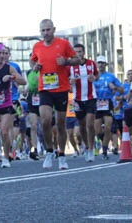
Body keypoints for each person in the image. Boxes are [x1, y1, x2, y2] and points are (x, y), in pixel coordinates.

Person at [30, 18, 81, 170]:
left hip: (61, 89)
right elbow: (32, 61)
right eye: (43, 30)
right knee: (45, 121)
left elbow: (77, 60)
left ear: (54, 29)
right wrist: (35, 66)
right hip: (44, 88)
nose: (45, 33)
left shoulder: (63, 43)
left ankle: (62, 155)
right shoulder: (37, 46)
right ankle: (49, 151)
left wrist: (65, 62)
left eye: (48, 30)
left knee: (60, 124)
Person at [69, 43, 98, 163]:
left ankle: (91, 148)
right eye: (75, 52)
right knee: (81, 126)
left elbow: (97, 74)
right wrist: (70, 81)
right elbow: (65, 80)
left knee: (90, 124)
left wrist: (94, 78)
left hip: (91, 97)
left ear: (84, 52)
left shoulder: (91, 63)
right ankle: (86, 146)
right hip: (77, 98)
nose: (78, 54)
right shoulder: (69, 66)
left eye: (80, 52)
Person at [92, 56, 123, 160]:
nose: (100, 65)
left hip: (107, 103)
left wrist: (114, 87)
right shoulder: (93, 76)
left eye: (102, 63)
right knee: (97, 131)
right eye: (99, 63)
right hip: (96, 103)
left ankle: (104, 151)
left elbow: (122, 90)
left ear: (106, 65)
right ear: (96, 64)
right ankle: (103, 142)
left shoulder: (111, 76)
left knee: (108, 128)